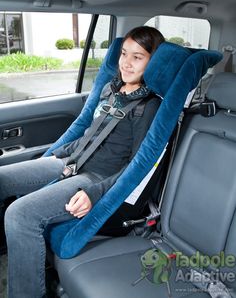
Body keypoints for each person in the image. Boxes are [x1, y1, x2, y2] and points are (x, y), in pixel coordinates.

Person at [0, 26, 165, 298]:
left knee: (20, 214)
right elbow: (89, 135)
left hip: (97, 178)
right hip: (73, 161)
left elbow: (138, 167)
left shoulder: (149, 107)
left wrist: (94, 193)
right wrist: (58, 155)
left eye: (137, 57)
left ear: (153, 61)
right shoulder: (111, 90)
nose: (126, 62)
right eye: (124, 53)